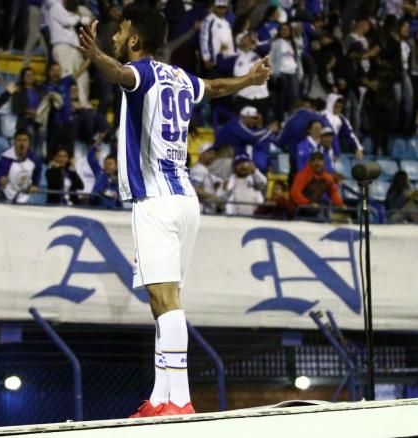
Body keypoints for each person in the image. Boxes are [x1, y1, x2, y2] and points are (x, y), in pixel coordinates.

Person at [77, 3, 271, 417]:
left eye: (121, 30)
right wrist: (249, 80)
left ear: (134, 39)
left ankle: (180, 400)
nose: (116, 35)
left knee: (165, 300)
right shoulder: (180, 76)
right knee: (162, 300)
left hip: (156, 201)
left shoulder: (143, 73)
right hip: (185, 199)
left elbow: (119, 74)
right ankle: (160, 396)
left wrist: (96, 56)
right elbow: (215, 87)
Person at [42, 60, 90, 158]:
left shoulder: (66, 81)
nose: (56, 73)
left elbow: (81, 70)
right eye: (53, 70)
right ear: (49, 72)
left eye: (58, 70)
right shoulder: (44, 86)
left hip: (67, 122)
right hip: (52, 124)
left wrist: (91, 58)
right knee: (51, 151)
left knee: (69, 151)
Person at [0, 131, 42, 204]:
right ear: (14, 143)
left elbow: (36, 179)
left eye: (25, 140)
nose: (22, 143)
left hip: (24, 200)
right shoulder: (6, 159)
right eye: (19, 140)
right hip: (5, 199)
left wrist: (35, 186)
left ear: (29, 143)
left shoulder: (35, 160)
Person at [290, 151, 344, 217]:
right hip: (299, 212)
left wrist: (340, 204)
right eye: (314, 160)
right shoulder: (302, 176)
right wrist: (308, 203)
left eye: (319, 160)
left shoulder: (328, 177)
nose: (317, 163)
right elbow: (294, 193)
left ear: (324, 162)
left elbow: (333, 192)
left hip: (316, 211)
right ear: (310, 162)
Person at [189, 142, 222, 213]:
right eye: (210, 153)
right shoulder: (199, 169)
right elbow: (195, 190)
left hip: (207, 210)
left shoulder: (204, 169)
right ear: (201, 155)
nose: (213, 156)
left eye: (214, 154)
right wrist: (213, 197)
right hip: (201, 210)